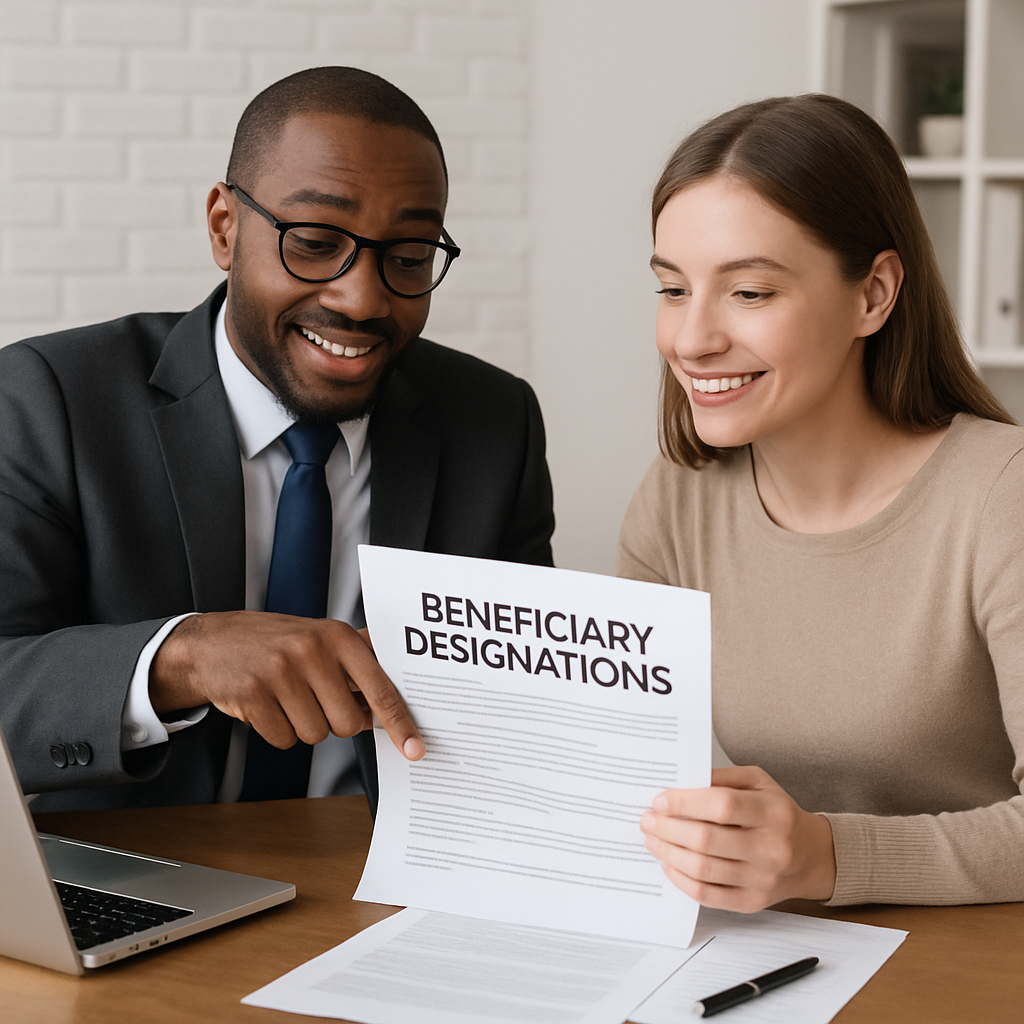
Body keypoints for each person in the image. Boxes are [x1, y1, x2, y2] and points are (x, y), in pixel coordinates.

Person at [0, 67, 554, 814]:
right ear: (224, 228)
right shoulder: (49, 399)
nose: (362, 298)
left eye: (410, 256)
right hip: (138, 882)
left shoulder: (493, 422)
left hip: (380, 879)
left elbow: (533, 702)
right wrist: (180, 657)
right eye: (317, 242)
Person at [623, 93, 1024, 909]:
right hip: (780, 954)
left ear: (873, 295)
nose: (692, 339)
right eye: (673, 289)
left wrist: (833, 857)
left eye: (751, 293)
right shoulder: (679, 499)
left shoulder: (1000, 495)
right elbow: (621, 764)